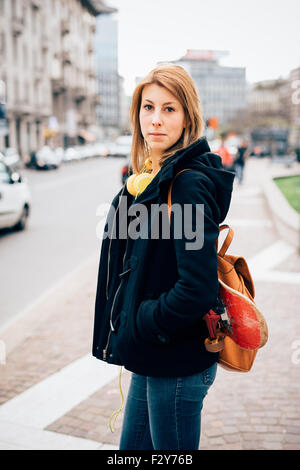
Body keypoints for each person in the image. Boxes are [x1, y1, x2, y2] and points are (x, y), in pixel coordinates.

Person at [92, 64, 235, 450]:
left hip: (175, 358)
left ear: (188, 116)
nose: (155, 120)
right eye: (148, 107)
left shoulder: (186, 184)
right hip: (151, 354)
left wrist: (141, 321)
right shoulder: (148, 179)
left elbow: (197, 288)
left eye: (169, 109)